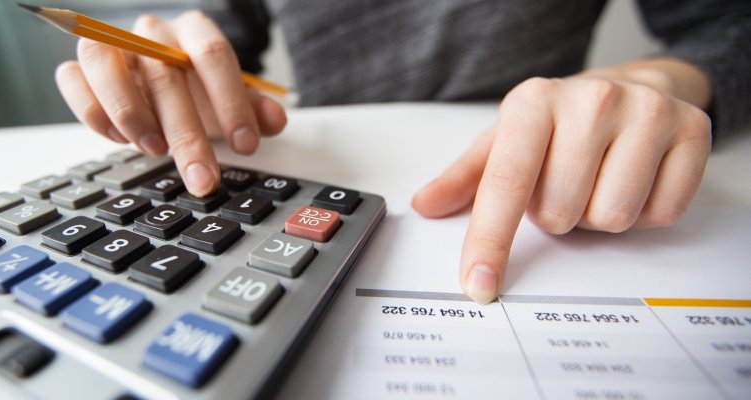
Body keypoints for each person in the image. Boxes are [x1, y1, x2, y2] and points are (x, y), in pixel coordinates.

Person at [54, 1, 751, 304]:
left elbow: (725, 21)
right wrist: (176, 64)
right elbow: (221, 33)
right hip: (314, 165)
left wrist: (662, 80)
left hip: (546, 160)